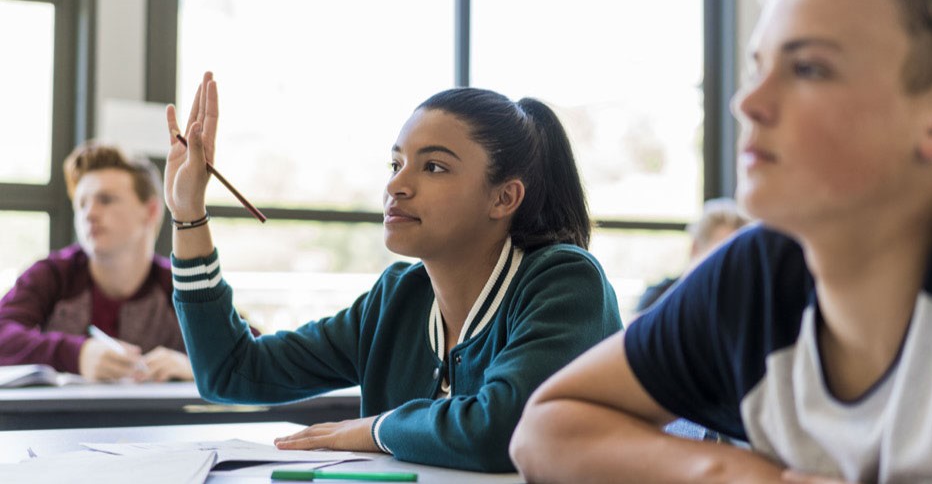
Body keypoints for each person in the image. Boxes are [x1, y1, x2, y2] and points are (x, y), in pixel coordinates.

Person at [510, 0, 932, 482]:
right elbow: (546, 427)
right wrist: (740, 476)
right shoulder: (758, 277)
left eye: (809, 68)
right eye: (757, 68)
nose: (748, 102)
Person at [164, 72, 622, 472]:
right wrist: (187, 217)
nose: (396, 185)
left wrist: (373, 429)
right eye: (396, 163)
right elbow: (231, 372)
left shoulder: (565, 281)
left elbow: (499, 429)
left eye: (434, 167)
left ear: (503, 198)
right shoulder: (398, 298)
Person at [0, 141, 194, 382]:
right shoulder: (51, 274)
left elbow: (246, 351)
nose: (89, 214)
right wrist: (75, 354)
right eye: (82, 203)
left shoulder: (179, 286)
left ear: (151, 211)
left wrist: (197, 367)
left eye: (106, 200)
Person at [634, 197, 749, 313]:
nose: (726, 266)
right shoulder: (656, 301)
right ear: (695, 248)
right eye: (719, 256)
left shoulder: (739, 306)